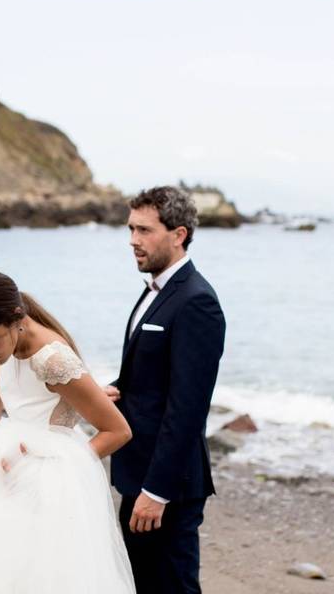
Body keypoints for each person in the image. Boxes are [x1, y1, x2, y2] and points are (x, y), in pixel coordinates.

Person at [0, 269, 136, 593]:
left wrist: (41, 467)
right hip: (4, 477)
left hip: (48, 487)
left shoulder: (52, 359)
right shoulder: (2, 339)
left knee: (39, 577)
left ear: (16, 318)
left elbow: (117, 430)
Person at [104, 186, 226, 594]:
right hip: (138, 473)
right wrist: (116, 391)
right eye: (131, 229)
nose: (133, 241)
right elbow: (152, 375)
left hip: (166, 485)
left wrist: (157, 492)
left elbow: (188, 408)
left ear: (178, 234)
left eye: (144, 230)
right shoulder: (155, 289)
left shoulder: (197, 302)